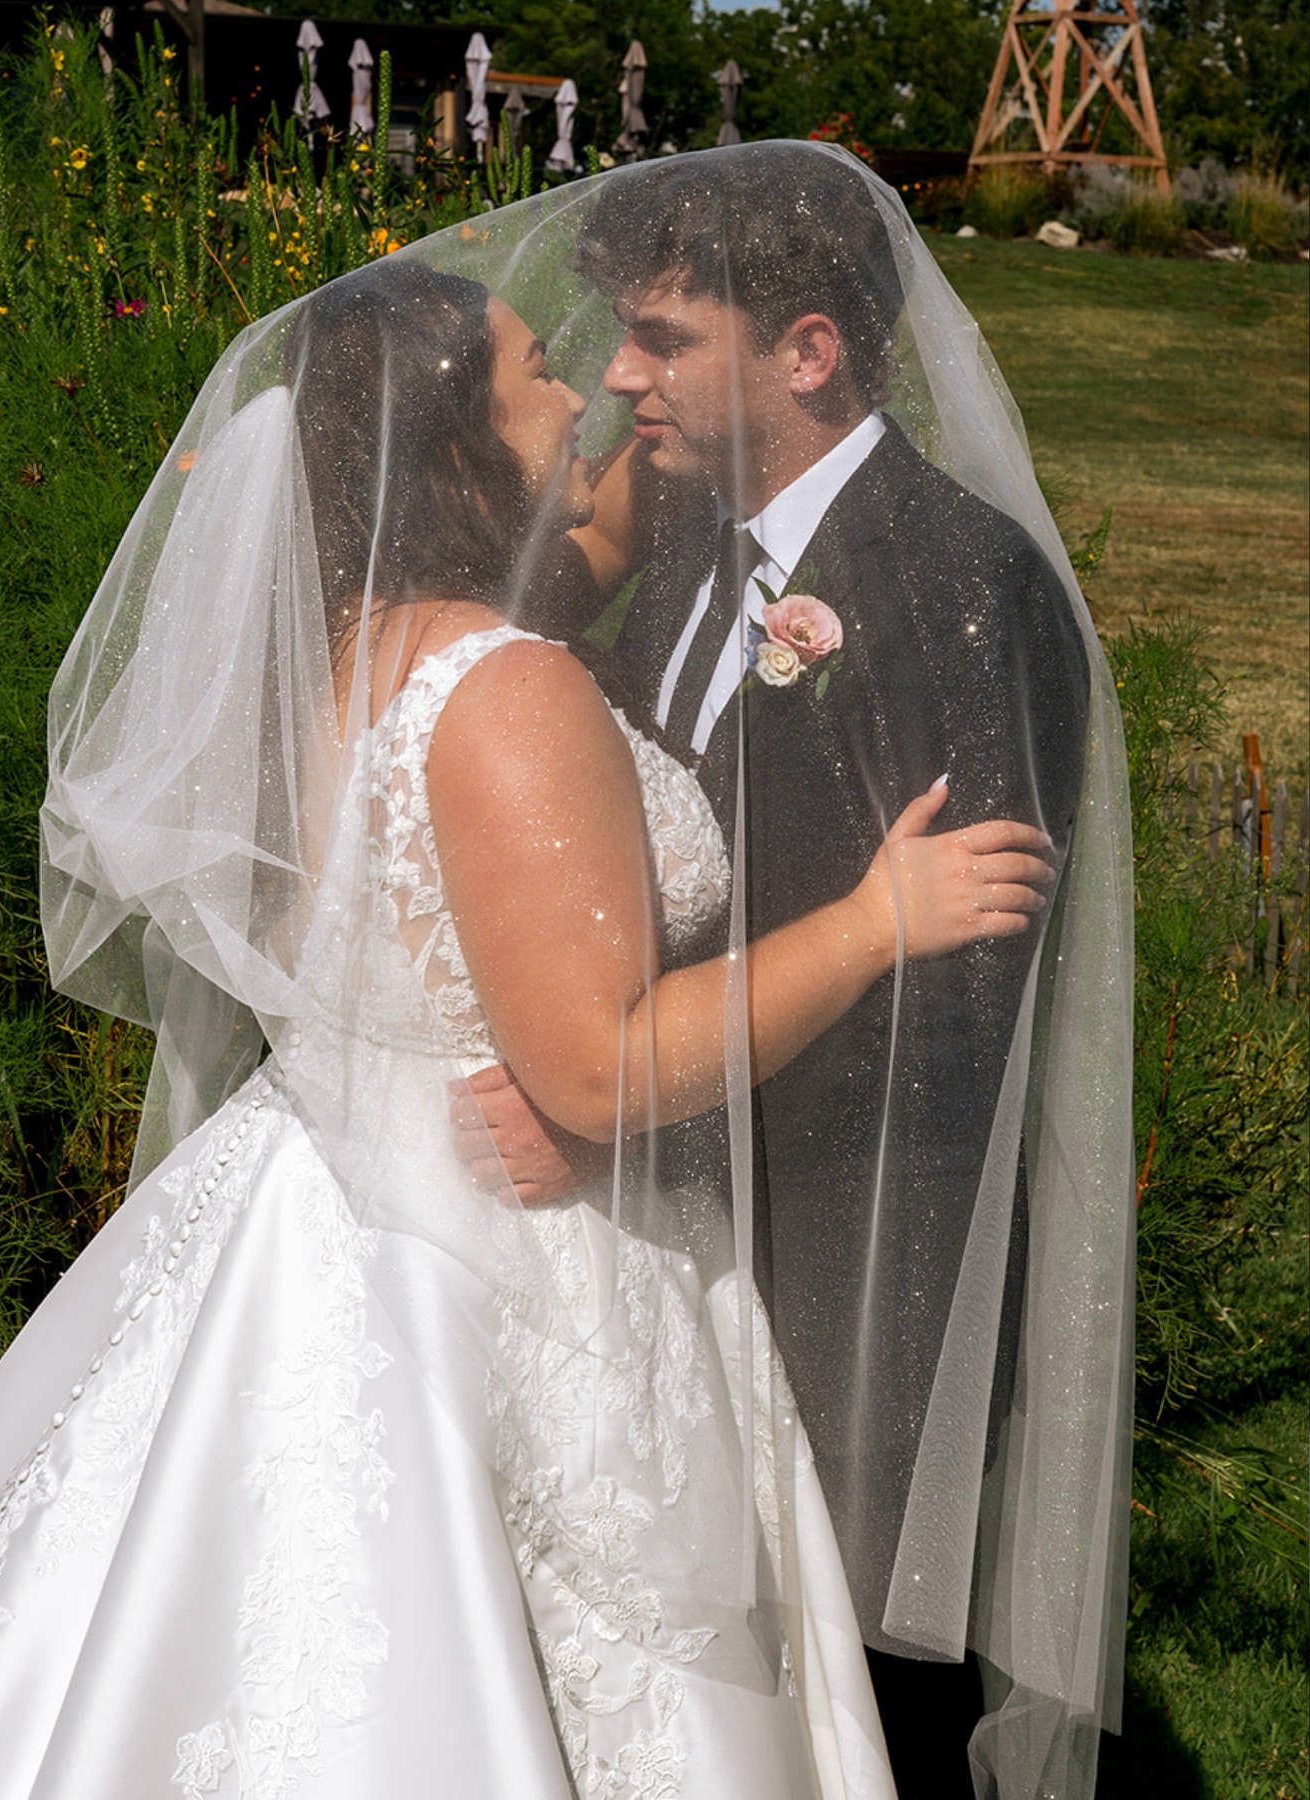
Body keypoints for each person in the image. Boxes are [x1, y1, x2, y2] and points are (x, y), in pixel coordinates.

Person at [0, 248, 1061, 1794]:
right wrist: (869, 923)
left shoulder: (332, 645)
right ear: (457, 448)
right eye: (536, 377)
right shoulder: (505, 688)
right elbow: (596, 1064)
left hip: (318, 1205)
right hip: (490, 1260)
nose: (586, 391)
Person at [454, 145, 1135, 1800]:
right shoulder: (689, 538)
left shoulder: (968, 591)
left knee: (852, 1719)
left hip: (858, 1283)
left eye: (665, 338)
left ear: (810, 352)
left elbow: (952, 1024)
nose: (620, 374)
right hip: (686, 1249)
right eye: (615, 333)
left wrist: (626, 1124)